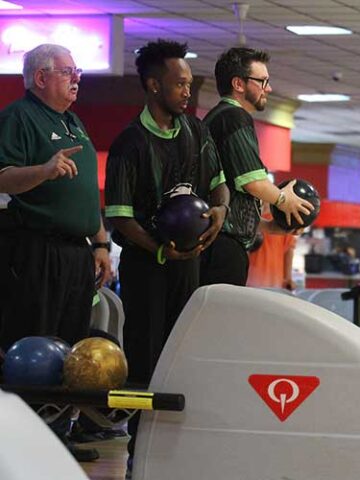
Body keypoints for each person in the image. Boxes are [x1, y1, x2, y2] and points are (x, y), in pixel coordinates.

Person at [103, 39, 229, 470]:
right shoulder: (129, 144)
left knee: (185, 357)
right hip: (147, 267)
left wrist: (220, 210)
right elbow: (120, 216)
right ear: (154, 86)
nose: (187, 92)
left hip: (188, 264)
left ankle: (181, 453)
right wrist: (159, 248)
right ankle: (141, 453)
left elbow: (219, 182)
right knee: (148, 357)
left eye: (189, 84)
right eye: (179, 84)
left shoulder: (196, 130)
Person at [0, 43, 112, 462]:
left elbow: (85, 194)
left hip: (77, 253)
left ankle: (58, 436)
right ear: (41, 77)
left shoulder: (72, 121)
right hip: (34, 250)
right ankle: (20, 442)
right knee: (34, 346)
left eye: (77, 70)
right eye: (68, 71)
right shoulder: (18, 118)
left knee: (70, 347)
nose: (77, 78)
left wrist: (100, 242)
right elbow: (4, 178)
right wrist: (44, 171)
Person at [199, 47, 312, 286]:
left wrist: (267, 226)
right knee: (222, 320)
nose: (268, 88)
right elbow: (252, 182)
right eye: (262, 81)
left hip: (216, 241)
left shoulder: (217, 118)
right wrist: (284, 199)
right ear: (239, 84)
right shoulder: (233, 117)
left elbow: (231, 195)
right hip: (222, 246)